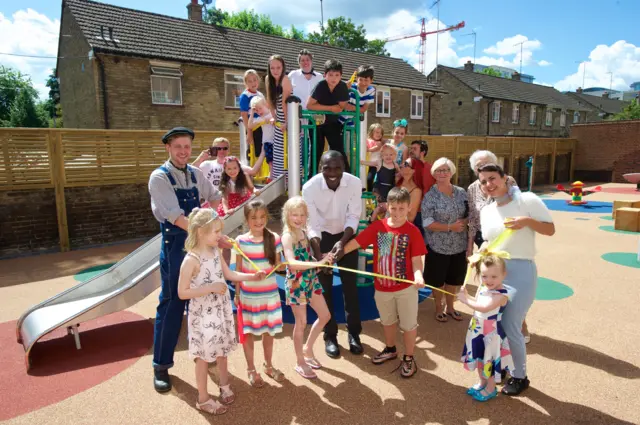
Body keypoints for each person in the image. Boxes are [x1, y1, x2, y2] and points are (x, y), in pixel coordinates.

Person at [148, 127, 223, 393]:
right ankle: (161, 365)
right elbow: (178, 218)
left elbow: (215, 197)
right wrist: (208, 230)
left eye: (187, 146)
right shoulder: (159, 178)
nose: (183, 151)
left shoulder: (195, 173)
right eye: (178, 146)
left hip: (200, 244)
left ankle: (206, 355)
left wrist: (216, 224)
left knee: (202, 301)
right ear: (168, 148)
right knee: (172, 304)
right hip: (175, 247)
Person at [177, 207, 266, 414]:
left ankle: (224, 385)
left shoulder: (216, 251)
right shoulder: (191, 260)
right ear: (200, 232)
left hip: (220, 310)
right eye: (216, 232)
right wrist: (210, 288)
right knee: (203, 358)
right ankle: (203, 398)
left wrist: (251, 276)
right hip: (203, 314)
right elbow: (182, 292)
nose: (221, 236)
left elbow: (229, 273)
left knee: (222, 351)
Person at [477, 163, 555, 396]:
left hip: (521, 270)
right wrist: (480, 252)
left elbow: (550, 229)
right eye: (483, 181)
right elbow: (489, 242)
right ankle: (502, 369)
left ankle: (520, 376)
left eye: (492, 178)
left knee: (512, 324)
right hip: (494, 274)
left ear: (504, 178)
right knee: (493, 324)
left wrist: (527, 222)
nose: (488, 184)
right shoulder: (486, 211)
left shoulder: (527, 200)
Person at [343, 187, 426, 378]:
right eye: (393, 208)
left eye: (401, 209)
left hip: (406, 288)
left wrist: (418, 275)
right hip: (382, 288)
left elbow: (416, 260)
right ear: (387, 207)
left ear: (409, 208)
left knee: (408, 325)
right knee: (387, 321)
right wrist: (334, 255)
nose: (397, 213)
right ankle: (390, 349)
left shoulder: (413, 232)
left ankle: (409, 356)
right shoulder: (379, 227)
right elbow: (355, 244)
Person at [302, 151, 363, 358]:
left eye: (337, 167)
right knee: (325, 289)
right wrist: (321, 256)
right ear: (320, 167)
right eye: (327, 168)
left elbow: (354, 215)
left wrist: (342, 243)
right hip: (321, 238)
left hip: (346, 236)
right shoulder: (309, 188)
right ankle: (330, 335)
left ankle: (354, 333)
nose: (333, 172)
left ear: (344, 167)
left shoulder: (355, 183)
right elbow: (312, 224)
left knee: (350, 287)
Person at [466, 150, 528, 343]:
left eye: (486, 164)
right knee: (489, 281)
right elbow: (473, 219)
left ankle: (521, 326)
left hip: (506, 239)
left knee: (509, 284)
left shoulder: (509, 182)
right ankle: (493, 323)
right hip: (484, 240)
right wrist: (470, 245)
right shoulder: (472, 188)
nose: (482, 168)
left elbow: (519, 208)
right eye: (478, 166)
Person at [281, 196, 334, 379]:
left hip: (310, 279)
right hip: (296, 283)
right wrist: (317, 263)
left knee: (325, 315)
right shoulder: (287, 236)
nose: (298, 218)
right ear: (287, 215)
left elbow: (305, 258)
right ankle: (299, 361)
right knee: (301, 323)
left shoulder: (303, 232)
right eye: (295, 214)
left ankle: (307, 349)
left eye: (302, 215)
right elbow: (292, 263)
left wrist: (321, 260)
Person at [235, 200, 285, 387]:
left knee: (268, 333)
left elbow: (278, 266)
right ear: (247, 220)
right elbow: (238, 271)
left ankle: (269, 366)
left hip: (270, 296)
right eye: (254, 217)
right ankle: (251, 369)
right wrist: (237, 294)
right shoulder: (241, 241)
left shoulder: (274, 238)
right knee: (248, 333)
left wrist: (278, 268)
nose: (259, 221)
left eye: (263, 216)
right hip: (249, 297)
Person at [458, 253, 515, 402]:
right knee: (478, 358)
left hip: (490, 332)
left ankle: (490, 388)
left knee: (487, 361)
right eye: (484, 276)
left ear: (504, 274)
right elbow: (477, 302)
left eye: (493, 276)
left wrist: (465, 301)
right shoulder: (483, 287)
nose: (488, 280)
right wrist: (466, 296)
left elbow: (484, 308)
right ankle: (482, 383)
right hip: (477, 329)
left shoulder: (501, 294)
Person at [421, 157, 469, 324]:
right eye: (439, 170)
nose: (442, 173)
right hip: (437, 246)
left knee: (454, 279)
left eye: (445, 170)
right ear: (434, 173)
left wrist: (466, 221)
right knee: (437, 280)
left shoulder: (462, 193)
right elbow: (426, 222)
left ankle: (451, 307)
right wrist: (449, 227)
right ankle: (439, 308)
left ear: (451, 172)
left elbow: (469, 214)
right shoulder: (430, 196)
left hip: (459, 245)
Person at [307, 59, 350, 173]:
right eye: (330, 75)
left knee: (339, 150)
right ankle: (311, 179)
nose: (333, 78)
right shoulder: (320, 86)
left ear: (341, 76)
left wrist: (323, 106)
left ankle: (347, 177)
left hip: (332, 122)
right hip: (316, 122)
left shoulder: (342, 87)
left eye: (337, 75)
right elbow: (309, 105)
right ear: (325, 75)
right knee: (316, 150)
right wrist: (330, 108)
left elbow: (341, 106)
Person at [288, 49, 324, 179]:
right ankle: (296, 175)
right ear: (299, 62)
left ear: (311, 61)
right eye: (302, 60)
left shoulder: (320, 77)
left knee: (314, 146)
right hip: (298, 116)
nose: (305, 62)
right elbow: (287, 93)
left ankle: (311, 175)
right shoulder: (293, 75)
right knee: (298, 146)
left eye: (307, 59)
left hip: (315, 117)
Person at [193, 137, 264, 192]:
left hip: (230, 201)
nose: (222, 151)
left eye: (225, 148)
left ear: (228, 150)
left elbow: (253, 171)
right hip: (212, 200)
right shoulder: (206, 164)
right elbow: (189, 171)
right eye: (218, 148)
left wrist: (263, 153)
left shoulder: (234, 164)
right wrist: (200, 159)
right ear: (213, 150)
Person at [266, 55, 293, 182]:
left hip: (290, 116)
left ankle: (291, 181)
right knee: (278, 153)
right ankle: (279, 181)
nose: (275, 71)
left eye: (278, 67)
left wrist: (286, 123)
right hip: (280, 120)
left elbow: (284, 103)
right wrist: (274, 118)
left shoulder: (285, 79)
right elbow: (270, 101)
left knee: (289, 151)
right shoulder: (268, 79)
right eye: (272, 68)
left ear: (283, 68)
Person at [239, 69, 264, 162]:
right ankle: (253, 170)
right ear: (246, 83)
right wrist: (249, 132)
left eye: (255, 79)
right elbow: (244, 115)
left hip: (262, 125)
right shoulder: (245, 96)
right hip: (253, 126)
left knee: (263, 148)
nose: (253, 83)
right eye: (250, 81)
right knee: (254, 149)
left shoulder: (260, 95)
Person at [247, 96, 275, 179]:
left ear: (266, 104)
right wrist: (252, 114)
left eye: (260, 108)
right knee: (270, 161)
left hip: (277, 141)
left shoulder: (272, 113)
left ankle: (274, 176)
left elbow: (276, 117)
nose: (259, 111)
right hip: (267, 141)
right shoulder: (260, 118)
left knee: (278, 160)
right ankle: (271, 176)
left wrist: (273, 119)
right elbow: (250, 126)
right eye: (256, 110)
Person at [365, 123, 386, 191]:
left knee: (371, 178)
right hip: (369, 164)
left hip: (376, 165)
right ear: (371, 132)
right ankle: (369, 190)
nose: (379, 134)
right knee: (368, 178)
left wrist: (368, 150)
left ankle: (371, 192)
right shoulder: (368, 141)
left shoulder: (379, 143)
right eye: (377, 132)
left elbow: (377, 148)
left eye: (380, 133)